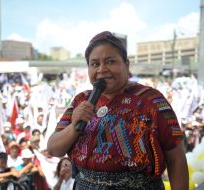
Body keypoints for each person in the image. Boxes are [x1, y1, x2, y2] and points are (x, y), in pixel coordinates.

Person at [47, 31, 188, 190]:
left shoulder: (152, 100)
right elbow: (54, 148)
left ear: (126, 65)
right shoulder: (81, 101)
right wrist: (73, 127)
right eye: (95, 64)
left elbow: (176, 158)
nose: (102, 69)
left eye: (110, 61)